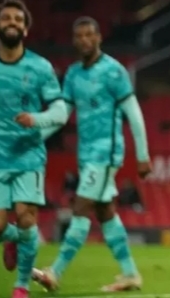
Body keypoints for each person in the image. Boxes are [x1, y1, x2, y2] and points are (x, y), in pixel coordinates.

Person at [0, 0, 68, 298]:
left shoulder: (40, 67)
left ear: (26, 29)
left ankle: (21, 286)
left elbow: (60, 110)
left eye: (18, 19)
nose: (12, 23)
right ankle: (12, 241)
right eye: (6, 18)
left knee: (27, 218)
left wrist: (37, 119)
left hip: (28, 157)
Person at [31, 17, 151, 292]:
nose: (85, 40)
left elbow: (134, 113)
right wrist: (34, 137)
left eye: (89, 34)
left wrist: (143, 155)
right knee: (105, 212)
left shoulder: (114, 71)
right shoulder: (73, 74)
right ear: (74, 41)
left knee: (81, 207)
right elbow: (62, 115)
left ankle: (55, 272)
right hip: (86, 155)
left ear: (99, 38)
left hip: (106, 153)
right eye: (79, 36)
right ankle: (130, 273)